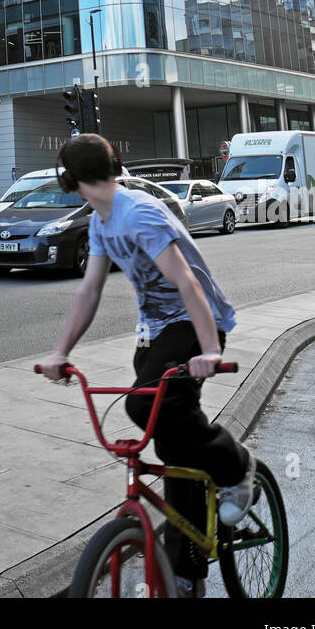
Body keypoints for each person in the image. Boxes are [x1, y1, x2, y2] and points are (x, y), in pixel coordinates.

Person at [39, 133, 257, 598]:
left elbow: (186, 283)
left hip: (195, 324)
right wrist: (61, 352)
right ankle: (187, 568)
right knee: (172, 447)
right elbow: (90, 291)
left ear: (68, 178)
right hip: (156, 332)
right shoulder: (101, 220)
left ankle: (237, 468)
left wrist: (209, 351)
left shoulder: (138, 213)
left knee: (143, 408)